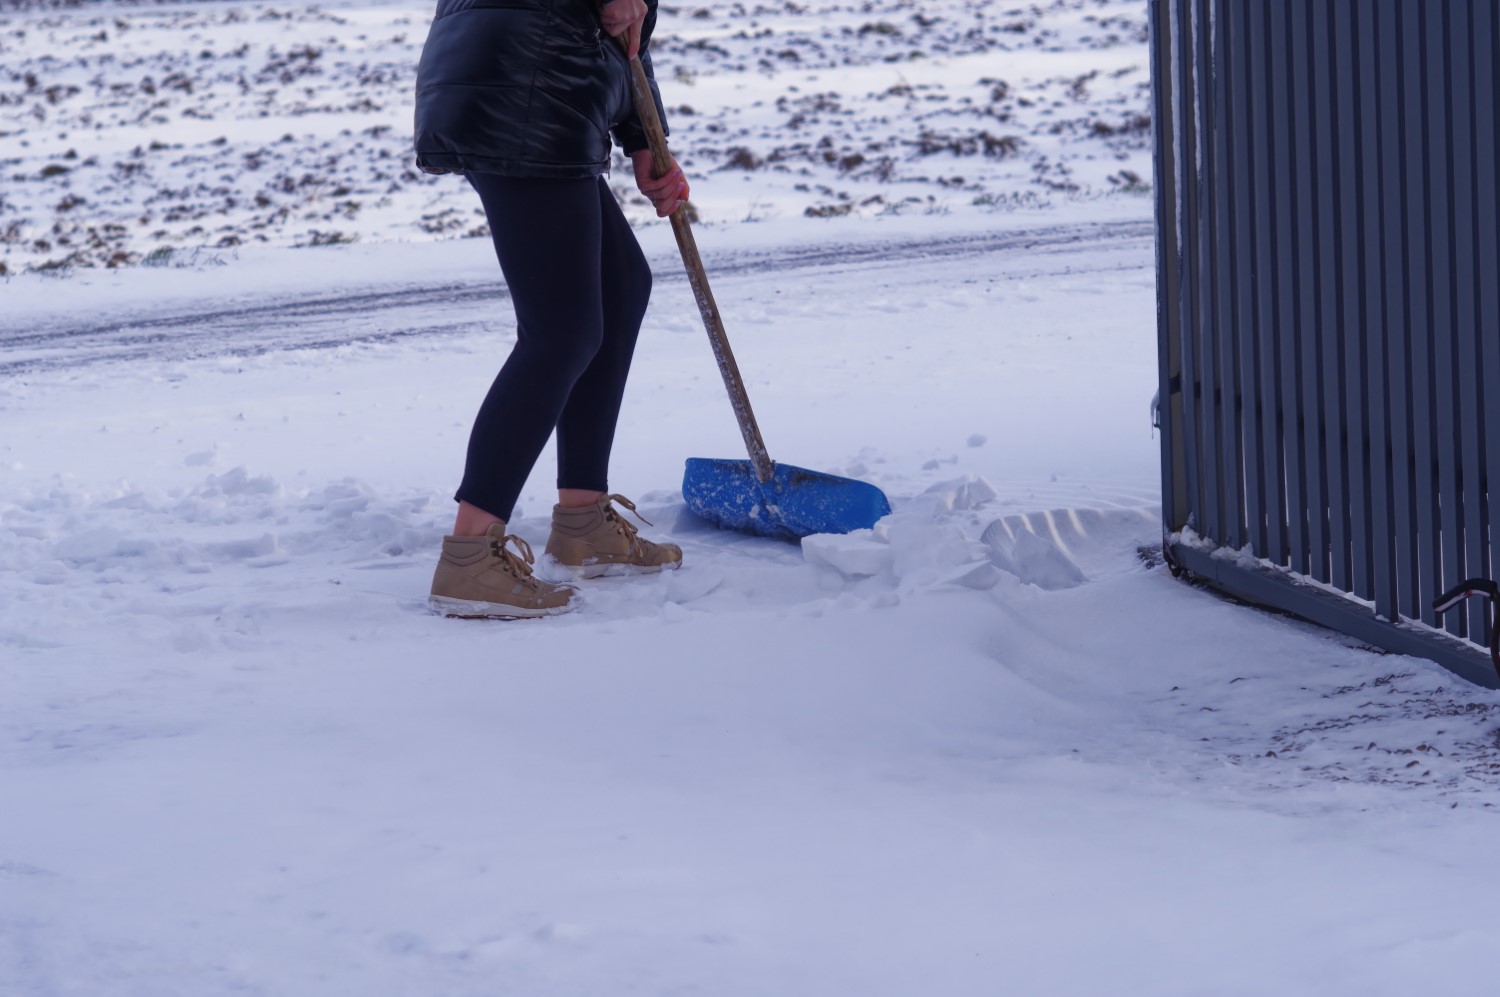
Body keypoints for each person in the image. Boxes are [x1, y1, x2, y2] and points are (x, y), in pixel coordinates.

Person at [412, 0, 689, 619]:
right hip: (524, 84)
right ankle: (469, 558)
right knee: (561, 330)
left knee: (619, 288)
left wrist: (647, 140)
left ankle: (583, 520)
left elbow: (627, 30)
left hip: (543, 82)